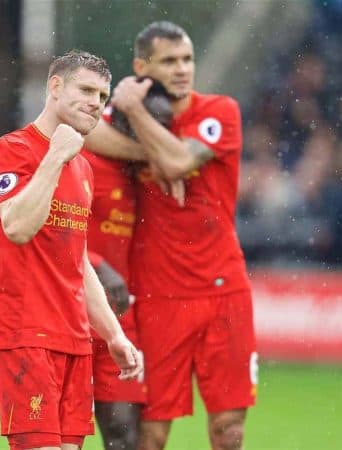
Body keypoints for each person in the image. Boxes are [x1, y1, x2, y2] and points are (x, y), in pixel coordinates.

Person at [86, 22, 258, 450]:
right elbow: (81, 128)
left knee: (229, 432)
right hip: (160, 298)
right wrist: (155, 149)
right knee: (151, 435)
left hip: (223, 290)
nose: (182, 70)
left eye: (187, 59)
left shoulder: (220, 111)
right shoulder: (120, 117)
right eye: (169, 61)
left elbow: (180, 161)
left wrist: (146, 124)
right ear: (142, 67)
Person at [0, 50, 143, 450]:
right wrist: (54, 156)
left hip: (73, 339)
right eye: (85, 89)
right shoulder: (12, 151)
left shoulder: (82, 168)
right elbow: (17, 226)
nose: (95, 103)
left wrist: (114, 334)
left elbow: (78, 261)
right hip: (24, 334)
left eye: (102, 96)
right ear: (54, 87)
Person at [82, 81, 173, 450]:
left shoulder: (143, 173)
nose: (160, 134)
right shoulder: (80, 161)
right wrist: (97, 264)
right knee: (58, 434)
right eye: (153, 124)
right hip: (71, 310)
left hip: (122, 315)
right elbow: (45, 228)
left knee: (124, 434)